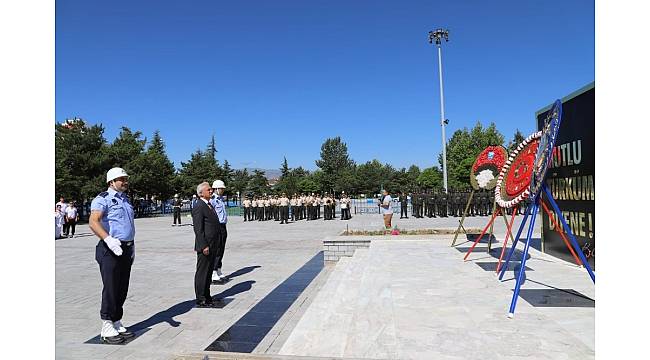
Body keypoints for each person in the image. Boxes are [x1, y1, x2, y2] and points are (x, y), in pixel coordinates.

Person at [88, 167, 136, 344]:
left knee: (122, 287)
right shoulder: (103, 199)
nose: (125, 181)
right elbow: (93, 222)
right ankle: (107, 325)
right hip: (110, 249)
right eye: (121, 179)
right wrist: (108, 239)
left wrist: (131, 247)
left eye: (125, 179)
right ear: (111, 182)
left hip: (125, 248)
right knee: (111, 287)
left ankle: (116, 320)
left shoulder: (125, 200)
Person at [192, 182, 220, 307]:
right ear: (201, 192)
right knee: (203, 272)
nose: (211, 191)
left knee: (208, 272)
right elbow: (198, 229)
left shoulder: (208, 204)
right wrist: (203, 245)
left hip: (213, 243)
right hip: (205, 245)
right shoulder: (199, 205)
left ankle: (207, 296)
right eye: (209, 189)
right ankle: (201, 298)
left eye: (211, 189)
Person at [210, 180, 229, 284]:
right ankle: (213, 272)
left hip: (223, 226)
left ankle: (218, 269)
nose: (223, 190)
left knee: (221, 248)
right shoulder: (213, 200)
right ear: (216, 189)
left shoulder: (220, 199)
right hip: (217, 226)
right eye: (221, 188)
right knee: (217, 249)